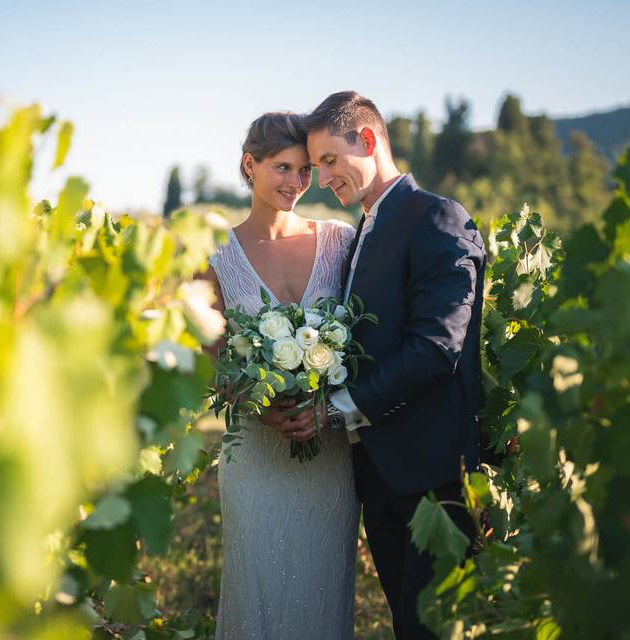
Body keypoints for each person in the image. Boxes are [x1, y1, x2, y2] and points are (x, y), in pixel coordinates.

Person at [304, 91, 486, 639]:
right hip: (380, 473)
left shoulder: (436, 216)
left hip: (434, 476)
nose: (322, 179)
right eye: (315, 169)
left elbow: (437, 345)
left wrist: (340, 409)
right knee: (406, 624)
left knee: (433, 629)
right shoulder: (366, 229)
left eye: (329, 161)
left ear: (367, 139)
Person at [201, 112, 359, 639]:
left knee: (322, 592)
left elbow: (363, 343)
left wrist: (326, 406)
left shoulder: (340, 242)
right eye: (283, 168)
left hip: (329, 449)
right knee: (259, 588)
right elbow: (214, 359)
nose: (296, 183)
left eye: (306, 171)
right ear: (251, 165)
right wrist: (259, 404)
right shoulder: (215, 257)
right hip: (256, 453)